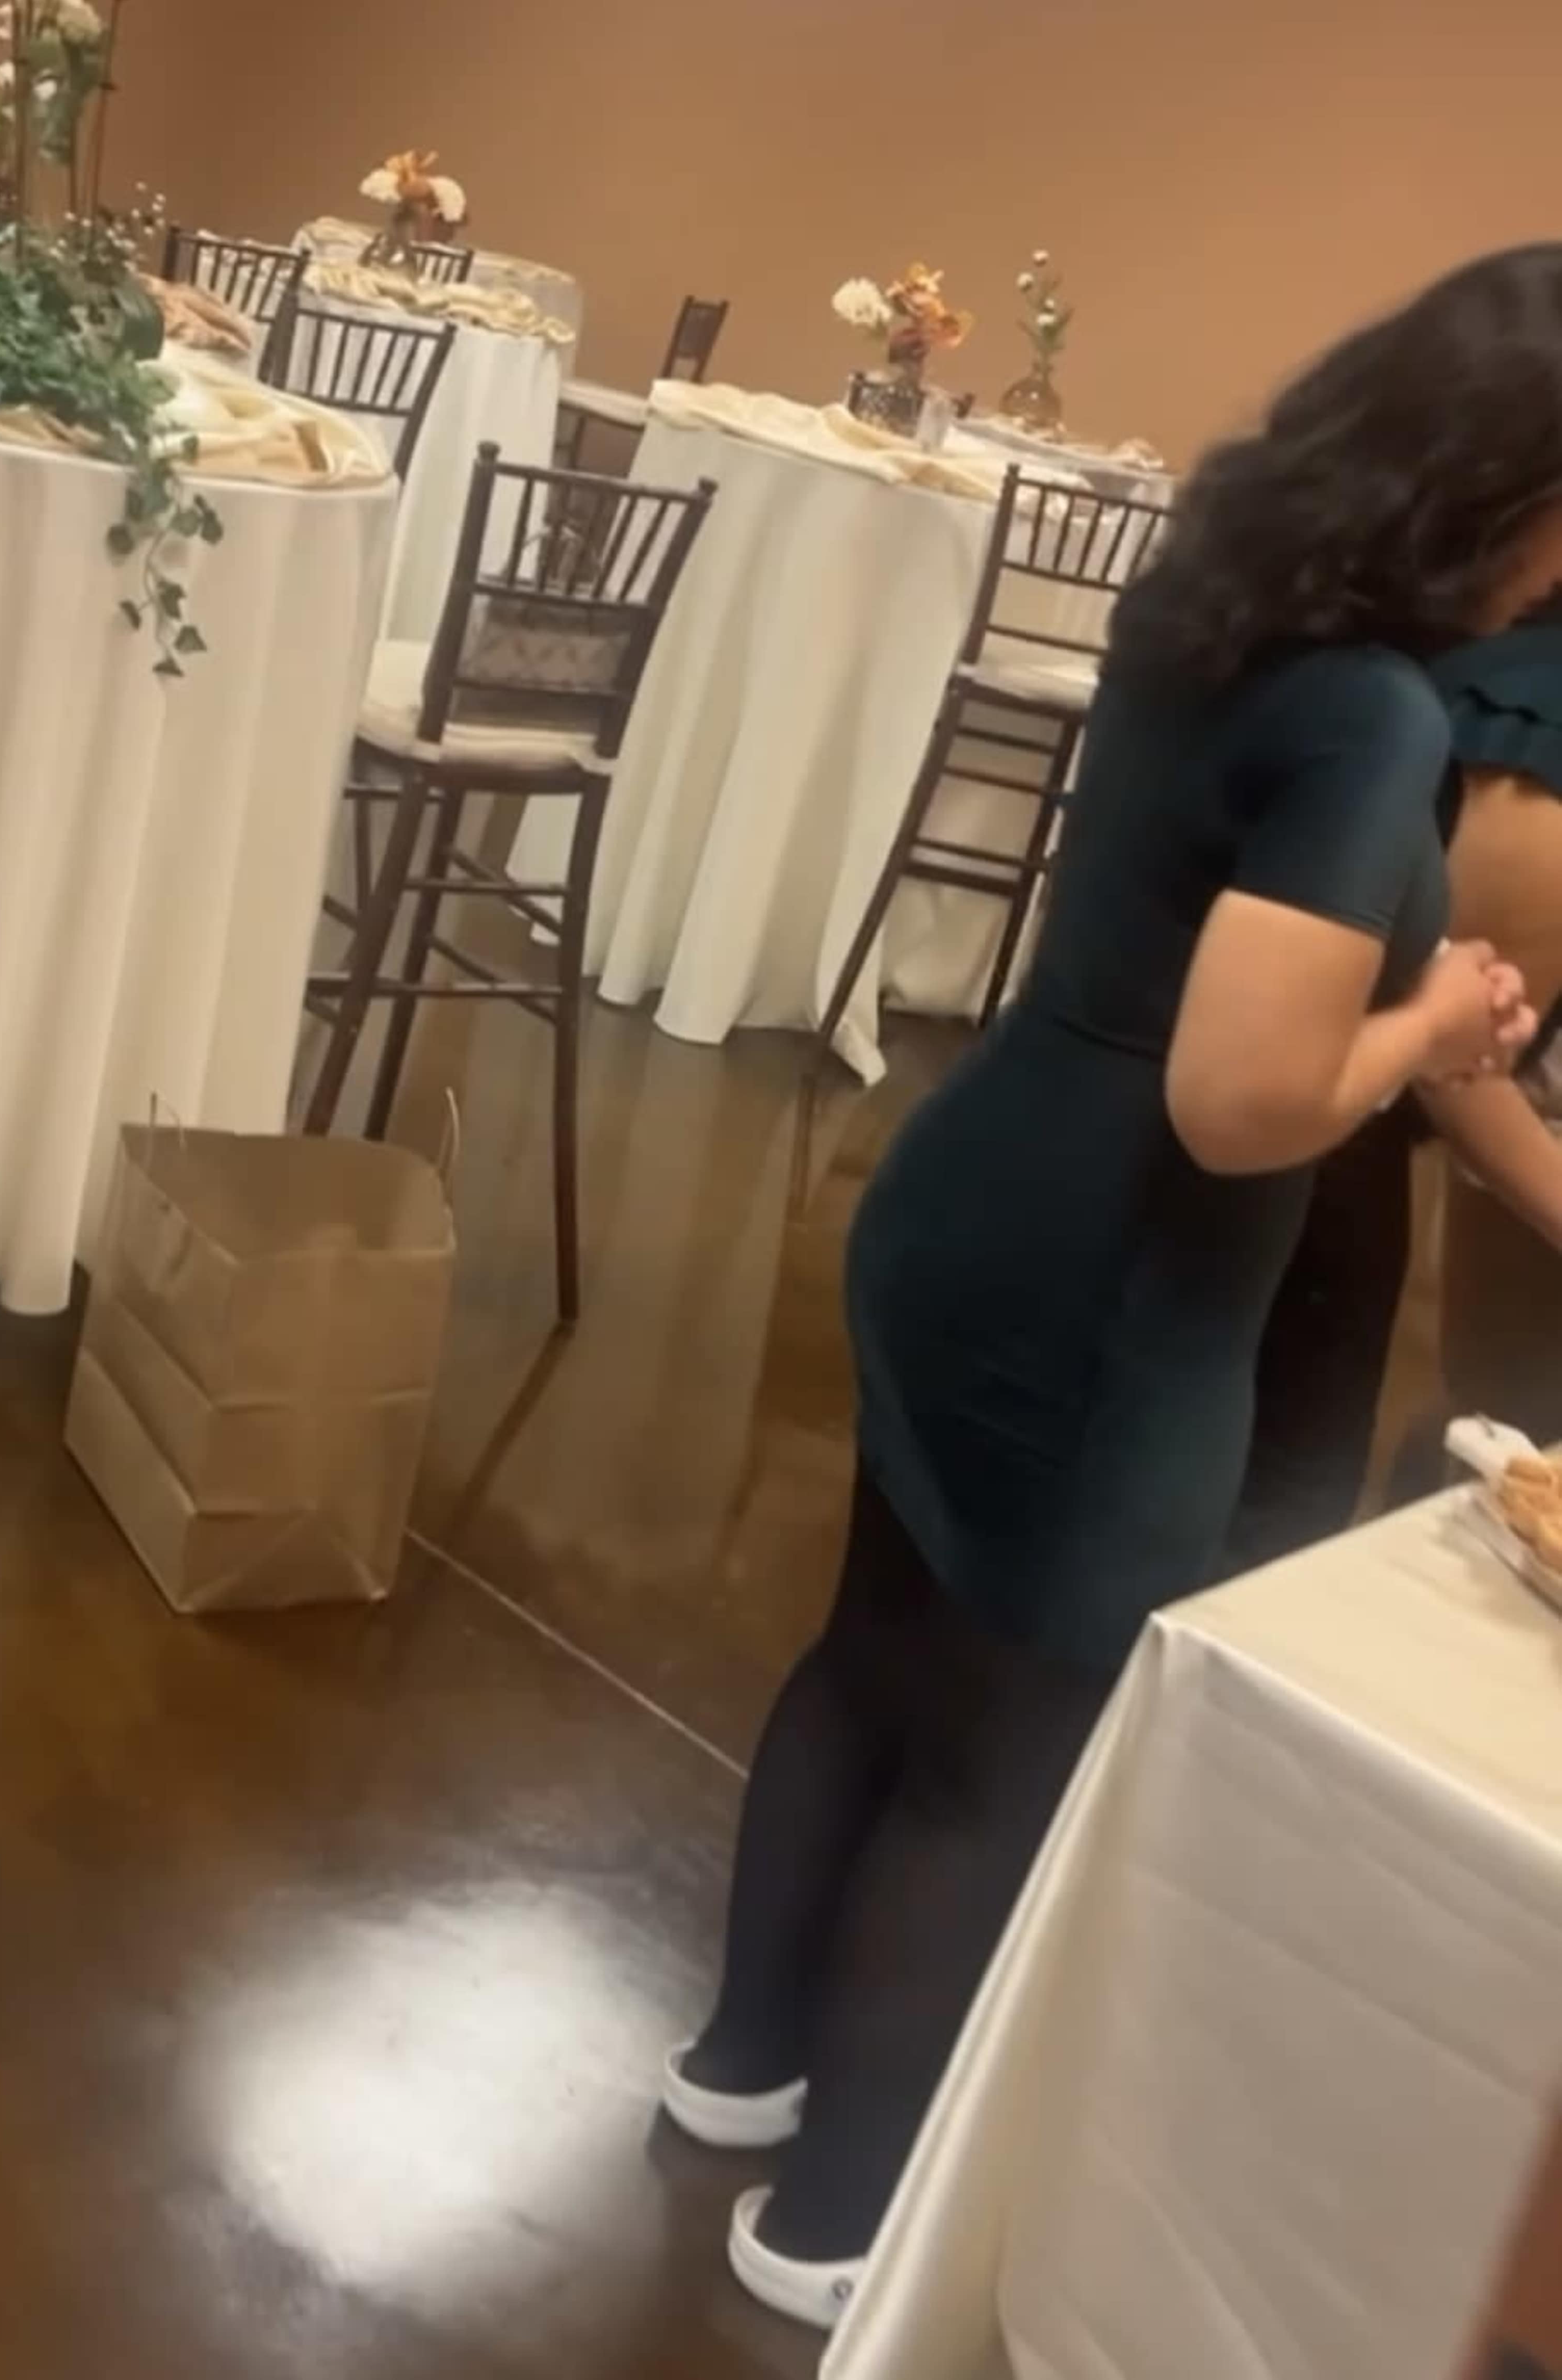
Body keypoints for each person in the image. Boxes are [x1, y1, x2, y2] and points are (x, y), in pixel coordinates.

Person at [665, 246, 1562, 2334]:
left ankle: (740, 2077)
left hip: (974, 1199)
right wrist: (1428, 1010)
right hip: (1114, 1284)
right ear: (1493, 484)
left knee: (876, 1658)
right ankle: (832, 2225)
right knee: (1006, 1753)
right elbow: (1249, 1097)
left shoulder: (1215, 594)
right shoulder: (1369, 710)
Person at [1234, 604, 1562, 1566]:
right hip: (1312, 1121)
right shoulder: (1531, 758)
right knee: (1287, 1489)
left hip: (1376, 1091)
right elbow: (1452, 1036)